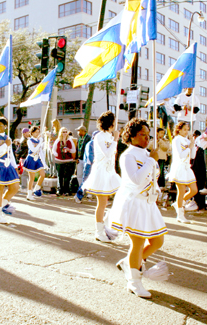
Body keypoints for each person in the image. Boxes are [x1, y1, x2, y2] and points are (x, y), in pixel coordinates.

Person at [108, 118, 168, 298]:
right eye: (142, 135)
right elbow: (135, 179)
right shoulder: (128, 155)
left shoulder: (148, 154)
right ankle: (134, 281)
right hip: (133, 203)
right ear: (131, 136)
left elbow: (151, 179)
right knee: (138, 242)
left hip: (148, 203)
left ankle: (129, 262)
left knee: (157, 241)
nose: (146, 139)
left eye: (148, 135)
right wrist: (152, 161)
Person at [82, 111, 121, 242]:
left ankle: (105, 223)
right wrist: (115, 139)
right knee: (102, 203)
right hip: (101, 172)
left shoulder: (109, 136)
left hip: (110, 172)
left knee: (119, 197)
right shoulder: (99, 136)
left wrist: (114, 139)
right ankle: (99, 231)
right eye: (114, 122)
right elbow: (107, 153)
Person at [167, 122, 198, 223]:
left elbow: (192, 156)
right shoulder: (176, 139)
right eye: (184, 129)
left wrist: (192, 146)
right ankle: (180, 215)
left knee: (194, 190)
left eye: (187, 129)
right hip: (179, 166)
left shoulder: (187, 140)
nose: (186, 131)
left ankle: (179, 203)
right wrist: (189, 147)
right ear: (179, 129)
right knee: (181, 191)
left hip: (187, 167)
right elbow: (181, 155)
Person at [23, 126, 47, 200]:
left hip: (37, 159)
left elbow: (41, 153)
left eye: (38, 132)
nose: (37, 134)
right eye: (36, 132)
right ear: (32, 132)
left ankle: (36, 188)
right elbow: (33, 149)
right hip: (31, 159)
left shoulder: (38, 140)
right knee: (31, 178)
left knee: (43, 175)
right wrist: (40, 142)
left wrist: (44, 163)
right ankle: (29, 194)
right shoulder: (29, 140)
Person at [75, 131, 99, 204]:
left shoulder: (98, 144)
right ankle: (78, 196)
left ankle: (101, 199)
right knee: (85, 181)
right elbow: (90, 156)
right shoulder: (91, 144)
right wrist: (95, 162)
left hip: (95, 165)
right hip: (89, 165)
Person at [52, 127, 76, 196]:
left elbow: (73, 150)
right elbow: (53, 150)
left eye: (66, 132)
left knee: (67, 177)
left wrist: (69, 150)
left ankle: (66, 190)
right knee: (60, 175)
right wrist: (57, 154)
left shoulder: (70, 140)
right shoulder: (58, 140)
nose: (65, 133)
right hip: (59, 161)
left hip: (68, 161)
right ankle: (60, 190)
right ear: (61, 132)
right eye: (63, 132)